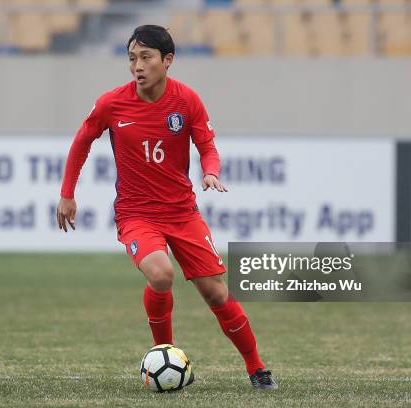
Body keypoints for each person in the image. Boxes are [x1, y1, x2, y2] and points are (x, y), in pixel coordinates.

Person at [57, 25, 276, 390]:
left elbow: (207, 146)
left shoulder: (187, 100)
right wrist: (68, 193)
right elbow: (81, 142)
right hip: (136, 214)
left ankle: (256, 367)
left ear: (167, 60)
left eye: (145, 57)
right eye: (131, 58)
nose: (137, 66)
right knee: (161, 275)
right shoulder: (112, 103)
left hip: (182, 214)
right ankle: (165, 355)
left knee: (217, 293)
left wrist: (210, 173)